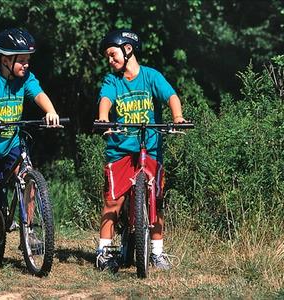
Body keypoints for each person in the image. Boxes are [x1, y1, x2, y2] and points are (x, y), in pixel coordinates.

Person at [0, 28, 59, 269]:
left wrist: (50, 111)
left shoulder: (25, 79)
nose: (26, 65)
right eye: (22, 60)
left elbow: (39, 94)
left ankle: (28, 232)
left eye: (28, 60)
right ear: (6, 60)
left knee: (27, 176)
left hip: (11, 143)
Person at [95, 29, 186, 271]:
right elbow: (106, 99)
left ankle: (156, 252)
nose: (110, 59)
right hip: (121, 149)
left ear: (128, 50)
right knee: (113, 202)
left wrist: (177, 117)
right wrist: (104, 118)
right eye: (107, 56)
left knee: (156, 198)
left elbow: (171, 96)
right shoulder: (112, 80)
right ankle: (103, 252)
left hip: (151, 148)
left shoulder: (151, 76)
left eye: (112, 54)